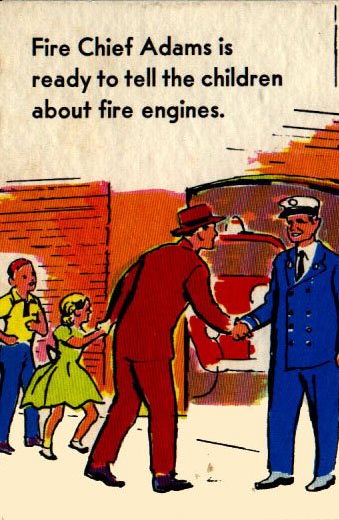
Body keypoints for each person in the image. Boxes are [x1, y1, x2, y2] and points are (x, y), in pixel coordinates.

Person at [84, 204, 234, 493]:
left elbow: (124, 286)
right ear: (198, 233)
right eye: (211, 227)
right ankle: (163, 474)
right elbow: (205, 308)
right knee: (164, 409)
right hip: (151, 346)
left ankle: (99, 462)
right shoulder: (194, 265)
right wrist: (231, 327)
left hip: (125, 339)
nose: (215, 232)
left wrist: (109, 321)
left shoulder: (154, 254)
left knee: (126, 404)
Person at [232, 196, 339, 492]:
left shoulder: (335, 264)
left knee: (324, 415)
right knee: (281, 412)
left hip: (323, 355)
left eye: (300, 222)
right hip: (287, 353)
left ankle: (324, 471)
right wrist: (248, 322)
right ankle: (279, 470)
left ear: (316, 224)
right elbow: (273, 302)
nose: (293, 228)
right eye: (290, 223)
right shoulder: (281, 262)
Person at [22, 293, 109, 460]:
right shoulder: (62, 330)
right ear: (75, 312)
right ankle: (46, 446)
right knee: (57, 412)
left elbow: (84, 339)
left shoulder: (81, 331)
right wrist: (98, 333)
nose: (89, 312)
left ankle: (76, 440)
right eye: (86, 310)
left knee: (92, 413)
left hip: (76, 373)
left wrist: (99, 331)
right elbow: (79, 343)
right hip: (61, 373)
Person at [0, 258, 47, 454]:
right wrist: (3, 337)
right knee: (8, 395)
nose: (31, 279)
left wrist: (37, 327)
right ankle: (1, 438)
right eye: (25, 276)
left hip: (27, 350)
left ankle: (32, 435)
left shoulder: (35, 302)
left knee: (31, 392)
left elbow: (43, 329)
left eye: (33, 275)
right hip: (10, 352)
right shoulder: (8, 300)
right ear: (12, 281)